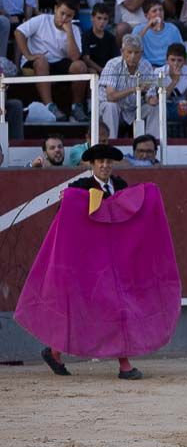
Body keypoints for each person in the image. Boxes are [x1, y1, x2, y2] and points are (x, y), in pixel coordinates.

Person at [37, 143, 141, 381]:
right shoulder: (80, 187)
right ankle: (56, 352)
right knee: (90, 309)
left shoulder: (121, 185)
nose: (105, 165)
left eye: (108, 162)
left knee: (117, 308)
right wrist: (71, 201)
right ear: (91, 165)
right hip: (89, 262)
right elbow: (68, 218)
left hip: (114, 260)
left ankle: (121, 364)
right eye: (100, 162)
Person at [15, 0, 88, 121]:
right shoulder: (42, 19)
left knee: (80, 66)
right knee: (41, 61)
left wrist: (69, 32)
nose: (64, 18)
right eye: (62, 13)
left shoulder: (74, 30)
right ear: (55, 9)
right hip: (36, 60)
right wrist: (27, 55)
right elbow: (19, 32)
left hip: (59, 62)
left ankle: (76, 107)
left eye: (69, 16)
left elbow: (75, 57)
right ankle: (49, 105)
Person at [97, 33, 158, 139]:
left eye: (136, 53)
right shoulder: (113, 64)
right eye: (129, 52)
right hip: (114, 110)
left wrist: (152, 98)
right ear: (122, 52)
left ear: (142, 53)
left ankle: (151, 143)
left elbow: (150, 96)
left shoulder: (146, 66)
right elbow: (110, 97)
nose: (133, 57)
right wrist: (135, 89)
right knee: (110, 106)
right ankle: (110, 145)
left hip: (134, 110)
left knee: (154, 108)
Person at [157, 41, 187, 138]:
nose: (176, 64)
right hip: (163, 107)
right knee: (154, 109)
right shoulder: (159, 72)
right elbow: (160, 97)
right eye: (172, 60)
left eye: (179, 60)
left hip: (180, 107)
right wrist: (175, 80)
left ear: (184, 61)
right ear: (167, 60)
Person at [133, 0, 184, 68]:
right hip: (147, 67)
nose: (159, 13)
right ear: (146, 16)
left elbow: (181, 50)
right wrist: (147, 26)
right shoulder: (139, 29)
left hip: (169, 66)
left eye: (161, 10)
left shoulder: (173, 29)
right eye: (154, 11)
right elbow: (132, 45)